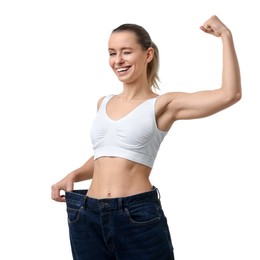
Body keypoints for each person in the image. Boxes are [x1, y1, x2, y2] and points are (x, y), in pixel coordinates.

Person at [51, 15, 241, 260]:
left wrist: (226, 36)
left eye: (127, 52)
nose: (118, 60)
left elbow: (230, 94)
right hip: (85, 214)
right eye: (112, 52)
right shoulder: (103, 102)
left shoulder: (163, 105)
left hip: (135, 216)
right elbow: (107, 154)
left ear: (148, 55)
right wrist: (74, 174)